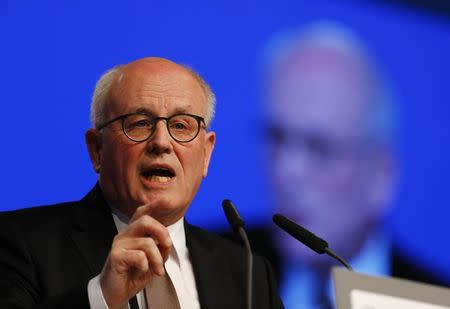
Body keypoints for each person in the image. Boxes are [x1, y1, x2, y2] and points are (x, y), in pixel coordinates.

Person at [0, 57, 284, 309]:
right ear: (97, 149)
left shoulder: (249, 272)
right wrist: (101, 297)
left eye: (181, 125)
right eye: (139, 123)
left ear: (207, 153)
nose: (161, 142)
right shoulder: (18, 242)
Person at [263, 23, 396, 308]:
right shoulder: (203, 268)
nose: (286, 171)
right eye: (277, 138)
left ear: (380, 177)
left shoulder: (436, 298)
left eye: (319, 147)